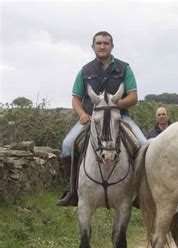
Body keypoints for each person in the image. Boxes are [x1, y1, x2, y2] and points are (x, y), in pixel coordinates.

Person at [56, 31, 146, 206]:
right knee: (68, 145)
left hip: (119, 117)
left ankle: (141, 192)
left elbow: (133, 97)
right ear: (93, 46)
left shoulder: (124, 68)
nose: (102, 46)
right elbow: (76, 98)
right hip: (92, 118)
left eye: (106, 43)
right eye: (99, 43)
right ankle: (72, 190)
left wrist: (115, 106)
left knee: (143, 145)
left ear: (112, 46)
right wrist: (82, 114)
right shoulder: (85, 70)